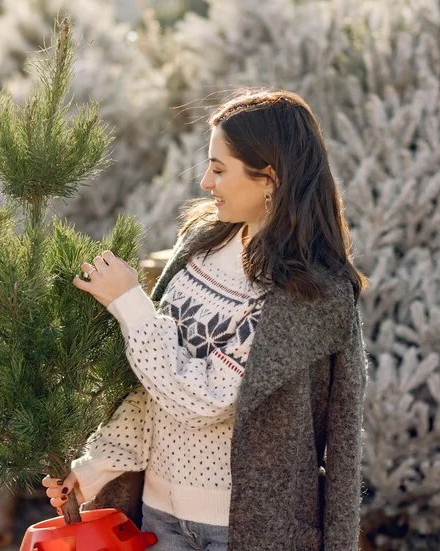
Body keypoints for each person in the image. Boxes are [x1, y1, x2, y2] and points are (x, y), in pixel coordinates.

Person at [42, 89, 369, 551]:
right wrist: (99, 465)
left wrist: (131, 304)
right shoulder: (200, 247)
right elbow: (151, 384)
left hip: (242, 533)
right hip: (158, 520)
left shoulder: (309, 294)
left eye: (218, 169)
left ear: (269, 178)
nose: (203, 182)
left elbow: (203, 399)